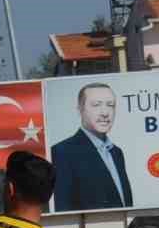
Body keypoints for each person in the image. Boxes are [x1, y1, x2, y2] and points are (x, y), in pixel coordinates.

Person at [50, 82, 134, 212]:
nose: (105, 112)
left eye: (110, 105)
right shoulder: (62, 152)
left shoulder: (116, 152)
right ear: (80, 110)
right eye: (96, 105)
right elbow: (63, 208)